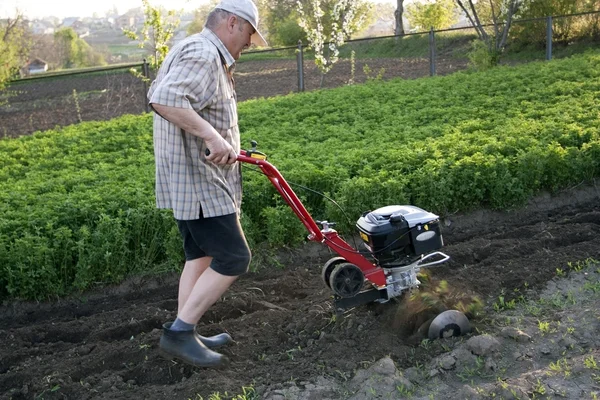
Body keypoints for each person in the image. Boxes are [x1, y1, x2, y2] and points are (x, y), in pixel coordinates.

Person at [147, 0, 267, 368]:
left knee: (199, 255)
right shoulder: (203, 52)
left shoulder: (190, 47)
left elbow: (184, 101)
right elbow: (164, 99)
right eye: (248, 34)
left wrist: (223, 138)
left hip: (187, 177)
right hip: (200, 179)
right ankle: (180, 332)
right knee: (234, 256)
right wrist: (214, 138)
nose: (248, 44)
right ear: (233, 23)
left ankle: (187, 331)